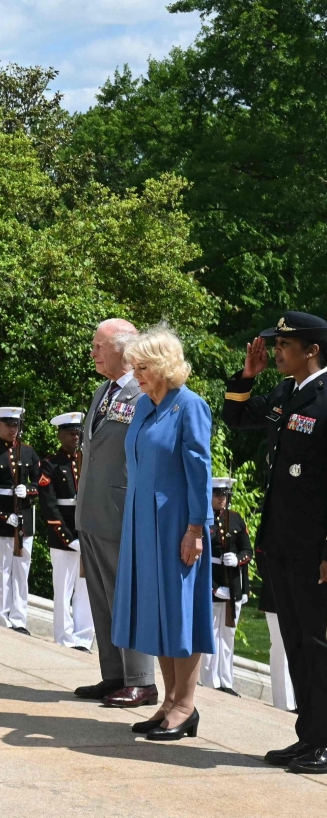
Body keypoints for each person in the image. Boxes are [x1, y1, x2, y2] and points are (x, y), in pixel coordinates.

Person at [223, 311, 327, 773]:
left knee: (318, 642)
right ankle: (310, 737)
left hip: (314, 547)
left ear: (312, 350)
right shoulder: (287, 393)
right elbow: (237, 415)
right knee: (296, 641)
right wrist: (248, 376)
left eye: (285, 345)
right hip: (281, 540)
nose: (276, 351)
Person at [111, 324, 214, 742]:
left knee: (181, 611)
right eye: (135, 367)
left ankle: (186, 705)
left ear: (164, 366)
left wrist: (196, 527)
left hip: (177, 524)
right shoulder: (143, 406)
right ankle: (170, 702)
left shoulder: (189, 406)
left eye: (142, 367)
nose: (136, 375)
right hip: (141, 522)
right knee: (158, 612)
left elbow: (200, 471)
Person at [73, 319, 158, 708]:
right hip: (92, 511)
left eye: (98, 346)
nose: (93, 352)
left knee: (128, 595)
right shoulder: (102, 391)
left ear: (122, 349)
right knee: (102, 597)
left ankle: (141, 679)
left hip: (124, 512)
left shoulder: (144, 395)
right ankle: (114, 675)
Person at [0, 407, 42, 634]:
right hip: (0, 520)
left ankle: (19, 618)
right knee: (0, 570)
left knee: (21, 571)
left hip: (24, 520)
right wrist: (3, 515)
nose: (12, 429)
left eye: (15, 425)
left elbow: (41, 485)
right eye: (8, 425)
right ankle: (0, 615)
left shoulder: (28, 453)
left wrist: (27, 490)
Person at [40, 411, 94, 651]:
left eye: (78, 433)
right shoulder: (50, 464)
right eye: (71, 433)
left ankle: (83, 637)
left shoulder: (89, 462)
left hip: (87, 533)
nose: (75, 437)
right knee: (63, 588)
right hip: (64, 535)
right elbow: (49, 505)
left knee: (86, 589)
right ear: (60, 435)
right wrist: (68, 538)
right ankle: (63, 636)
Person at [199, 478, 253, 697]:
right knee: (210, 635)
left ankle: (225, 681)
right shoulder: (202, 520)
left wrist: (238, 559)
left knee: (228, 636)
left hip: (233, 588)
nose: (222, 499)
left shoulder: (237, 519)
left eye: (224, 495)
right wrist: (212, 588)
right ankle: (209, 681)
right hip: (212, 586)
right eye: (217, 495)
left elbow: (247, 550)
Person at [256, 549, 298, 711]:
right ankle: (283, 702)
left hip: (299, 598)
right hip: (276, 596)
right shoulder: (272, 526)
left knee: (296, 649)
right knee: (280, 648)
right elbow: (263, 561)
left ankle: (296, 701)